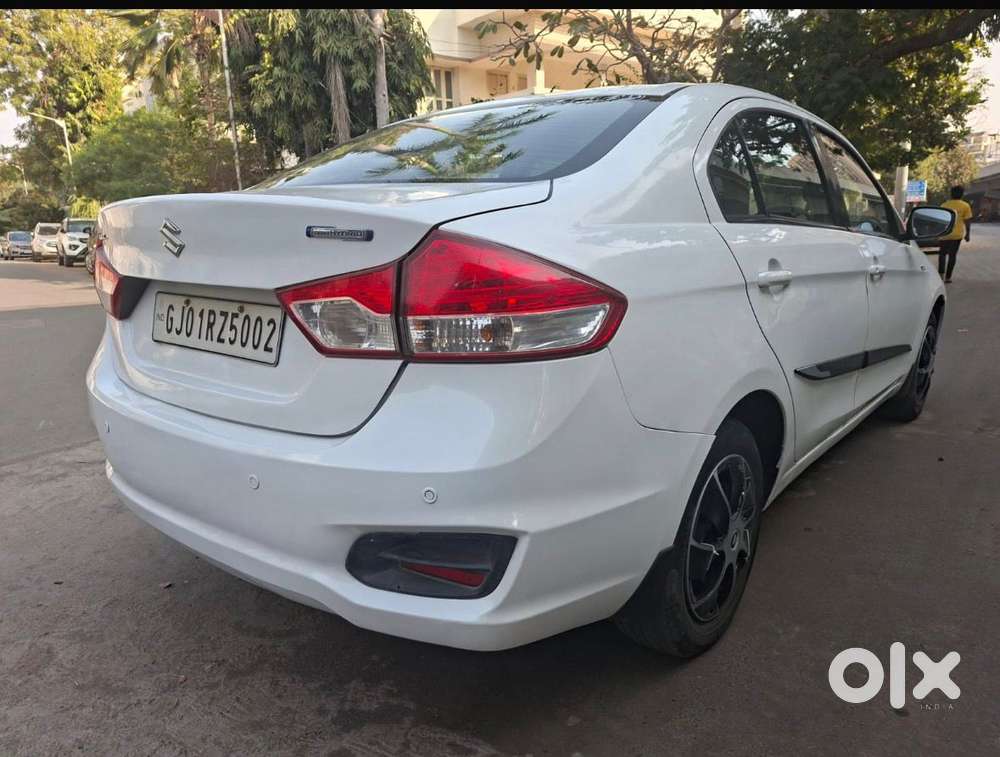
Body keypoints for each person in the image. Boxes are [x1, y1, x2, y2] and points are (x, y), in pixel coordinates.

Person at [938, 185, 973, 282]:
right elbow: (967, 221)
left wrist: (937, 233)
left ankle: (941, 275)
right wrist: (968, 234)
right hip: (957, 235)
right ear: (962, 194)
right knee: (952, 256)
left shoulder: (944, 205)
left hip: (944, 234)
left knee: (942, 255)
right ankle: (948, 277)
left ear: (951, 194)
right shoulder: (965, 206)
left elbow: (940, 221)